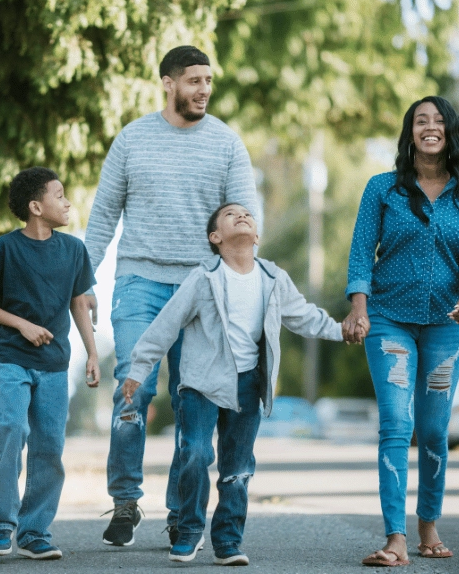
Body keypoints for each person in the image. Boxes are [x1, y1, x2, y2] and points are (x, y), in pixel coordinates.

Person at [83, 45, 260, 547]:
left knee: (194, 404)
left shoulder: (227, 143)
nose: (204, 89)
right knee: (131, 388)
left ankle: (183, 514)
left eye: (208, 80)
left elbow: (246, 220)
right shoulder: (132, 140)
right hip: (140, 279)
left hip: (204, 288)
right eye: (194, 80)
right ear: (167, 82)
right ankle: (124, 501)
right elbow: (102, 218)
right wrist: (81, 278)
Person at [122, 203, 359, 565]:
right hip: (201, 383)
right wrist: (139, 368)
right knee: (196, 453)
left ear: (257, 236)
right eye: (231, 215)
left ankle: (228, 542)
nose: (242, 216)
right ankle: (187, 532)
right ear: (215, 238)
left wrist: (339, 329)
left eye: (247, 214)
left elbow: (303, 315)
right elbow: (167, 323)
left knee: (238, 466)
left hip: (249, 383)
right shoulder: (204, 278)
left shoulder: (272, 278)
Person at [343, 96, 459, 567]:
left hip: (447, 326)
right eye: (419, 121)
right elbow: (361, 252)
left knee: (432, 430)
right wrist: (359, 310)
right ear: (410, 134)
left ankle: (428, 523)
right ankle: (395, 537)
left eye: (438, 121)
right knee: (396, 424)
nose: (429, 127)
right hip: (388, 321)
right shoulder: (382, 189)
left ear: (451, 132)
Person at [0, 166, 100, 561]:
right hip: (12, 357)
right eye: (59, 195)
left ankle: (34, 532)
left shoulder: (74, 250)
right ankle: (0, 524)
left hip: (54, 364)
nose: (67, 202)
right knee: (10, 428)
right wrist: (23, 325)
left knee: (49, 446)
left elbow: (80, 303)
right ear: (36, 207)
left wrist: (93, 353)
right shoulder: (5, 248)